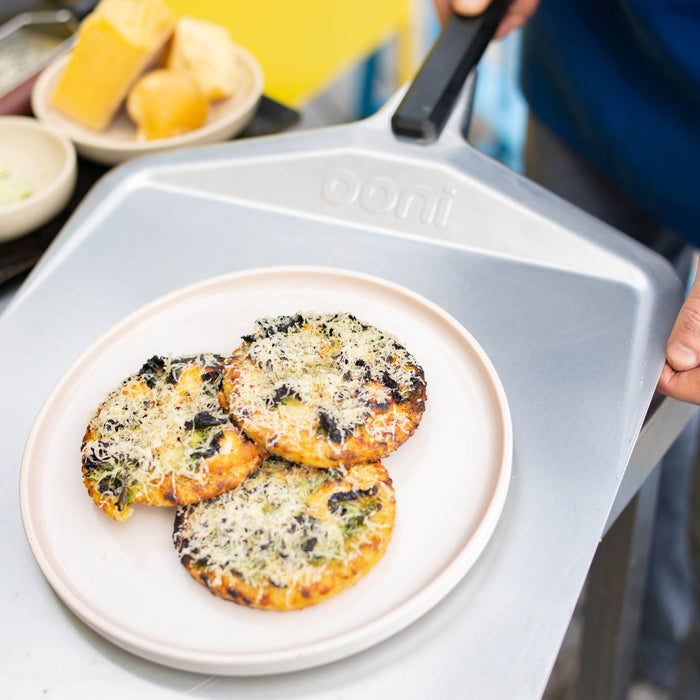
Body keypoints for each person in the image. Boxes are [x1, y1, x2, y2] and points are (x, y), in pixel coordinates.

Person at [432, 1, 700, 698]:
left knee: (664, 410)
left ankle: (643, 662)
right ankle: (555, 620)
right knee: (571, 397)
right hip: (595, 78)